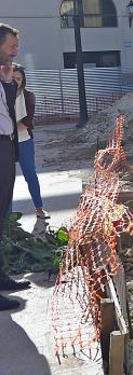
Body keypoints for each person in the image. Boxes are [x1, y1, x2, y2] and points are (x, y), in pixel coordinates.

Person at [0, 23, 30, 311]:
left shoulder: (2, 76)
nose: (15, 51)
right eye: (11, 46)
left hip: (6, 147)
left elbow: (7, 113)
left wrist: (8, 84)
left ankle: (1, 277)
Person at [7, 65, 48, 223]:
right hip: (6, 144)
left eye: (18, 79)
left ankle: (39, 208)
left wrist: (7, 127)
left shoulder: (29, 96)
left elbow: (26, 123)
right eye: (12, 78)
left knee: (31, 176)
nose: (15, 81)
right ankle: (7, 217)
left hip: (24, 142)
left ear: (23, 80)